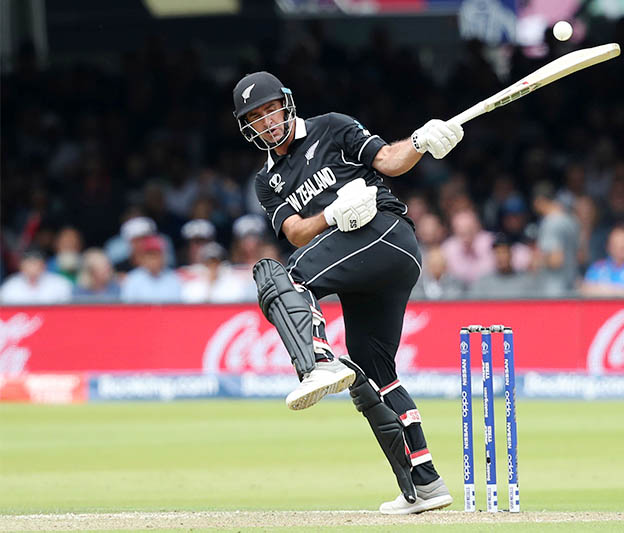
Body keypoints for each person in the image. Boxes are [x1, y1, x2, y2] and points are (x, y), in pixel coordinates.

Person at [233, 71, 463, 513]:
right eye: (255, 117)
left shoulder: (332, 126)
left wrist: (420, 142)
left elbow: (389, 160)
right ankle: (425, 483)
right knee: (373, 370)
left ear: (286, 103)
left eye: (270, 110)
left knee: (285, 277)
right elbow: (296, 231)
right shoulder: (267, 181)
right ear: (248, 127)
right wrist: (332, 214)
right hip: (356, 264)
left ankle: (318, 360)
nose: (267, 122)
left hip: (387, 236)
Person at [581, 226, 624, 296]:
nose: (621, 246)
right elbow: (586, 289)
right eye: (616, 243)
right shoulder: (597, 267)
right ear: (608, 246)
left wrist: (603, 289)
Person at [120, 235, 182, 303]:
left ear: (163, 257)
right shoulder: (133, 279)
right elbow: (127, 306)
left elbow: (178, 305)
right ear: (143, 258)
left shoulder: (173, 278)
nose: (153, 260)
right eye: (150, 255)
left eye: (156, 255)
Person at [0, 250, 72, 304]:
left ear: (44, 265)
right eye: (29, 264)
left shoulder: (60, 283)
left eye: (35, 263)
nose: (32, 268)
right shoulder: (10, 285)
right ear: (21, 266)